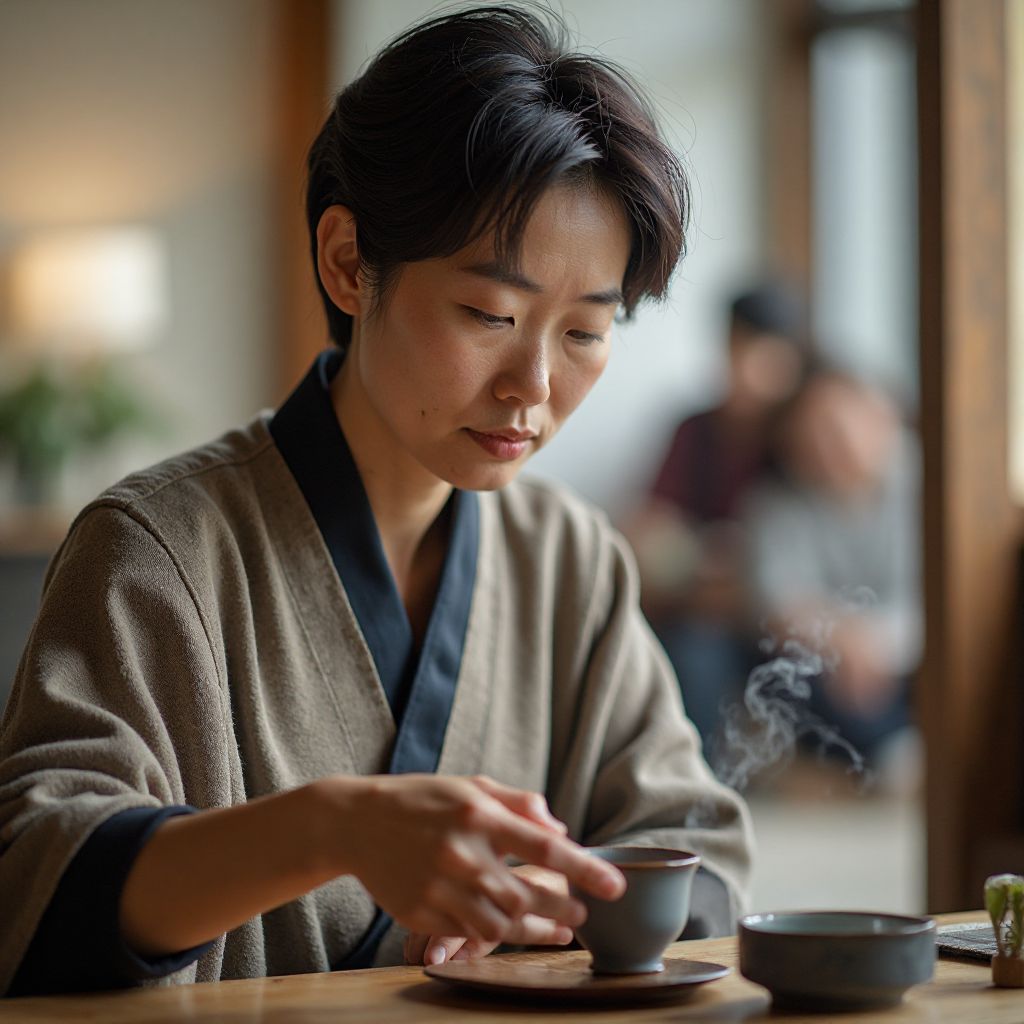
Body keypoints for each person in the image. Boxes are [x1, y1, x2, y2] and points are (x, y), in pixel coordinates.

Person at [0, 5, 753, 998]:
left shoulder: (569, 558)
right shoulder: (156, 550)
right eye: (490, 312)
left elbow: (695, 850)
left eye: (582, 332)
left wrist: (541, 900)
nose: (532, 383)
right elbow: (38, 880)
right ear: (349, 262)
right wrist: (335, 829)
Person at [624, 284, 806, 747]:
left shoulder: (801, 435)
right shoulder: (695, 430)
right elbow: (650, 531)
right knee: (691, 648)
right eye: (737, 352)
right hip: (700, 608)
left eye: (764, 358)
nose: (747, 373)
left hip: (781, 611)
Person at [742, 365, 921, 776]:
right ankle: (884, 758)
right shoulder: (776, 500)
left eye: (835, 429)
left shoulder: (923, 480)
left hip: (905, 656)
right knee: (787, 678)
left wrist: (874, 642)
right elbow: (778, 601)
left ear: (879, 419)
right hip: (829, 663)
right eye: (807, 436)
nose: (823, 448)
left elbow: (935, 596)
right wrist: (842, 638)